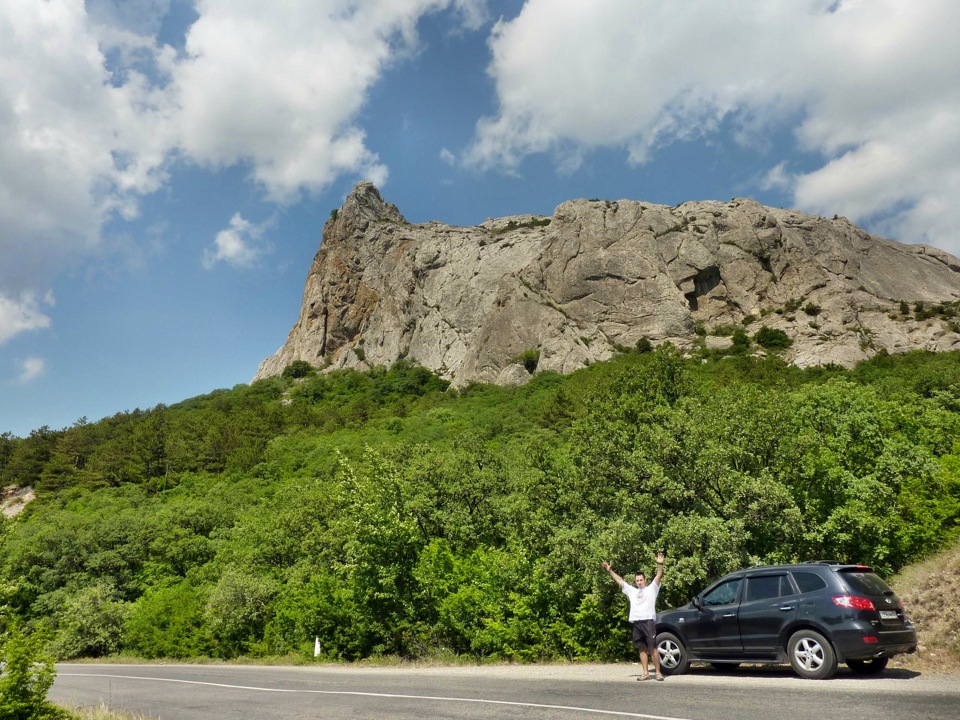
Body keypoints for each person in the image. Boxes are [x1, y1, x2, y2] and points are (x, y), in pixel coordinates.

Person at [602, 551, 665, 681]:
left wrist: (660, 564)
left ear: (645, 580)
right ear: (635, 582)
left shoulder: (652, 589)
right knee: (642, 648)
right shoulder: (632, 591)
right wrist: (609, 570)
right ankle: (645, 673)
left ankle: (658, 673)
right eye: (637, 580)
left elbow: (659, 575)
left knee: (652, 648)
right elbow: (619, 580)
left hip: (648, 621)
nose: (639, 582)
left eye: (641, 580)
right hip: (637, 622)